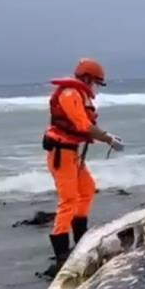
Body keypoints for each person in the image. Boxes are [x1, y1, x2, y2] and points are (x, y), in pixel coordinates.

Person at [43, 58, 124, 271]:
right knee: (68, 199)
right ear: (87, 79)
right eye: (96, 83)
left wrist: (106, 136)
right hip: (62, 154)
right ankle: (61, 253)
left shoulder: (79, 94)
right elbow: (83, 125)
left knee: (87, 190)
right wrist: (108, 139)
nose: (97, 87)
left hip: (73, 154)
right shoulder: (70, 95)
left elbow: (84, 127)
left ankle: (80, 240)